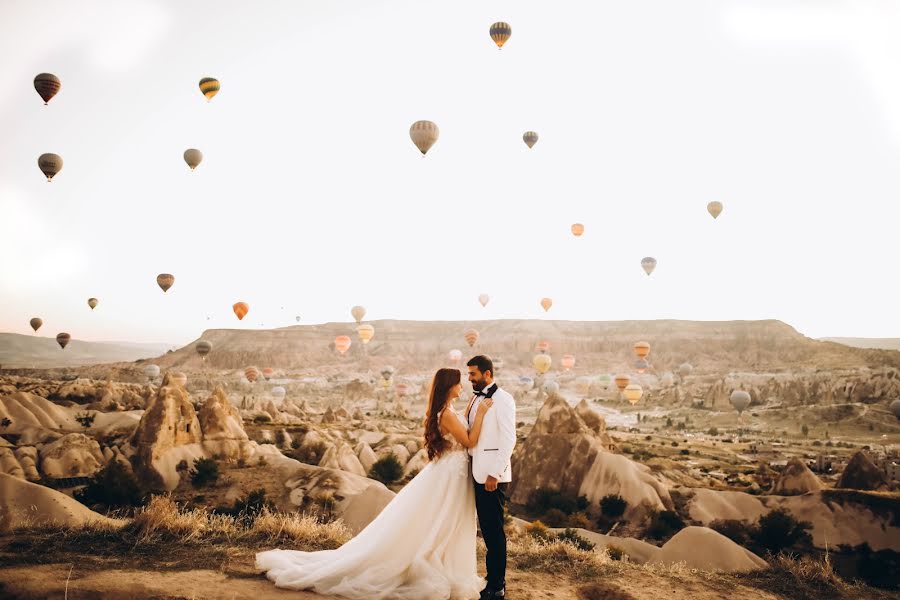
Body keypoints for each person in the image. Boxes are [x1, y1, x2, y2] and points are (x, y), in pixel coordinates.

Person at [256, 367, 493, 600]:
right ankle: (438, 565)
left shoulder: (447, 411)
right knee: (444, 522)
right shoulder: (447, 415)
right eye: (459, 382)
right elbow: (470, 440)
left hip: (451, 473)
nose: (462, 386)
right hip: (451, 476)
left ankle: (442, 563)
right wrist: (481, 413)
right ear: (450, 386)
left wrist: (473, 407)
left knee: (443, 522)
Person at [465, 355, 516, 600]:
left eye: (473, 374)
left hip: (491, 476)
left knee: (494, 531)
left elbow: (509, 439)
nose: (469, 379)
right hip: (476, 472)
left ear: (487, 374)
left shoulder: (503, 400)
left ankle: (497, 586)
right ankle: (490, 578)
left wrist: (494, 473)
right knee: (486, 529)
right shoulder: (476, 399)